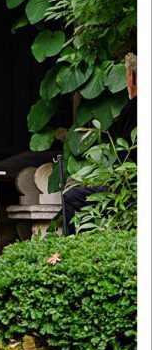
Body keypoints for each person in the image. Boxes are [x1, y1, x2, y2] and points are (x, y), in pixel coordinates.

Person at [62, 52, 137, 233]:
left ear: (132, 77)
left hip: (131, 190)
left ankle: (80, 252)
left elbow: (127, 158)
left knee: (72, 196)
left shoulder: (135, 107)